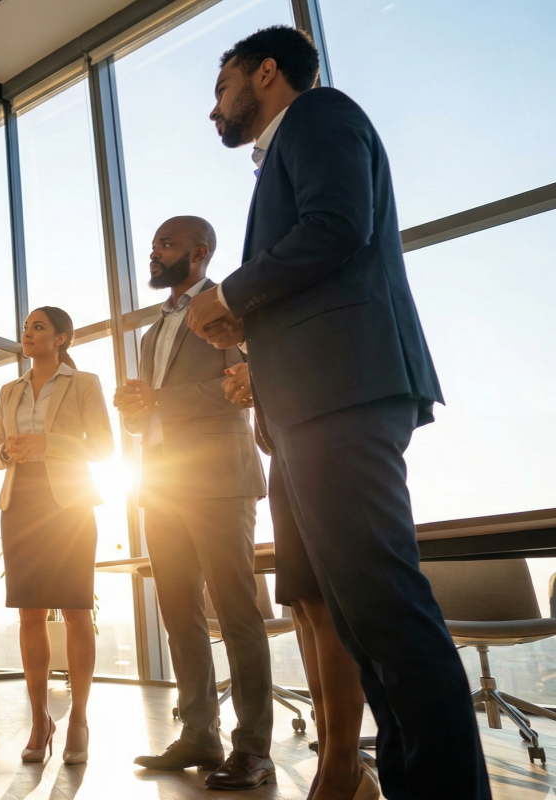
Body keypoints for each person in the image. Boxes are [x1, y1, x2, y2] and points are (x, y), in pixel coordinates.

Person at [186, 26, 490, 798]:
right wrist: (249, 327)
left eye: (221, 88)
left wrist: (232, 295)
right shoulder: (286, 150)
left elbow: (336, 227)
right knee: (359, 617)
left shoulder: (319, 118)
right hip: (310, 404)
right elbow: (320, 264)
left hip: (342, 396)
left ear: (266, 72)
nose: (213, 107)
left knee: (385, 607)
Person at [114, 217, 272, 790]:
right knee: (178, 611)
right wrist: (133, 407)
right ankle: (199, 732)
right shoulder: (153, 332)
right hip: (160, 480)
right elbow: (150, 411)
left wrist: (160, 398)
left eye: (167, 244)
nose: (153, 254)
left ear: (200, 252)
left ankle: (253, 746)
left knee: (236, 612)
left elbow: (246, 382)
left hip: (220, 478)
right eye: (154, 245)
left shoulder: (229, 306)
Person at [224, 363, 380, 800]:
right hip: (286, 444)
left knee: (326, 604)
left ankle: (344, 765)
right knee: (304, 603)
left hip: (323, 432)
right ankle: (335, 761)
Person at [0, 307, 113, 765]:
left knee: (78, 610)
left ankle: (78, 717)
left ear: (62, 338)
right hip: (20, 505)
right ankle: (40, 720)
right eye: (25, 327)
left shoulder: (84, 384)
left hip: (70, 505)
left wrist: (48, 444)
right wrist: (6, 449)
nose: (28, 333)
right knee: (30, 615)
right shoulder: (8, 390)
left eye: (38, 327)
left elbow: (103, 447)